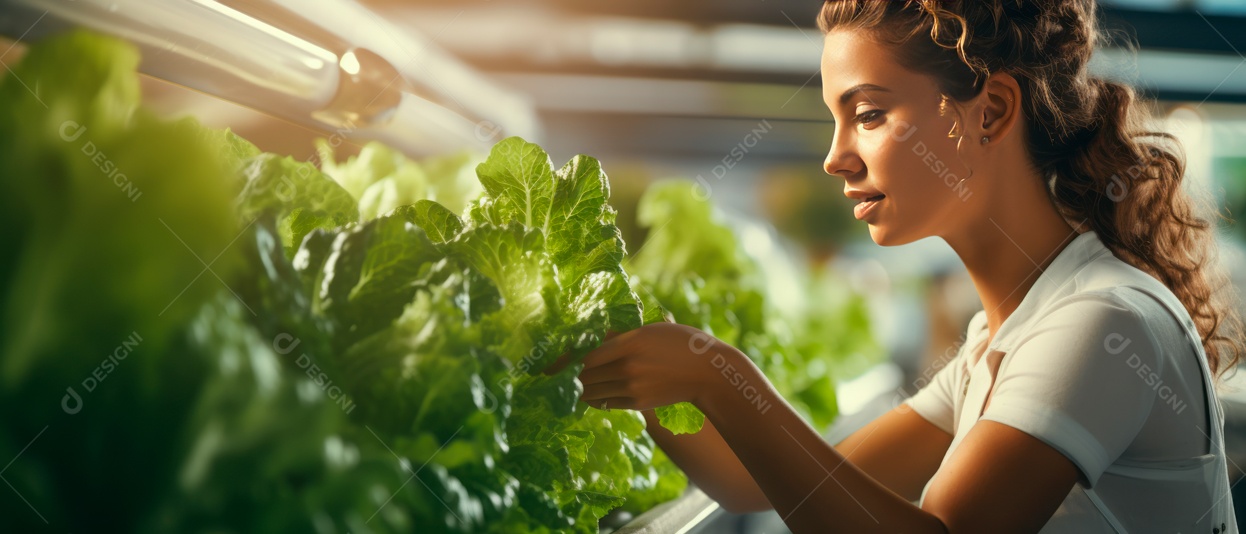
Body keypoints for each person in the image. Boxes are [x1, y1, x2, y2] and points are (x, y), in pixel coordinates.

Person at [575, 1, 1246, 532]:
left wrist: (721, 377)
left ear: (992, 111)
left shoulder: (1101, 321)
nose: (835, 157)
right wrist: (642, 366)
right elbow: (763, 484)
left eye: (868, 113)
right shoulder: (1002, 338)